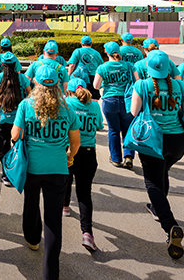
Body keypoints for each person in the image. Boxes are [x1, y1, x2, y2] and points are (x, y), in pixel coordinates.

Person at [11, 66, 80, 280]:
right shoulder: (67, 108)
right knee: (53, 221)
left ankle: (32, 239)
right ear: (57, 85)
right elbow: (76, 141)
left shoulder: (26, 105)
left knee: (31, 203)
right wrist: (69, 155)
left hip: (32, 167)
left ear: (36, 84)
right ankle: (51, 272)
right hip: (58, 168)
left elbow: (15, 135)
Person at [130, 50, 184, 260]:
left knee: (152, 183)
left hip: (153, 140)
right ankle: (157, 208)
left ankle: (169, 225)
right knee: (163, 173)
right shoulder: (180, 85)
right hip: (177, 141)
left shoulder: (142, 85)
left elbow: (134, 111)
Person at [63, 78, 103, 252]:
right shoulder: (94, 105)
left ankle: (65, 206)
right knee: (84, 193)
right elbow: (100, 126)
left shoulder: (66, 103)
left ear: (69, 91)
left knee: (66, 179)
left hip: (69, 149)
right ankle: (87, 233)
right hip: (88, 152)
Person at [0, 52, 30, 186]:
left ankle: (6, 174)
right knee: (20, 147)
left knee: (4, 148)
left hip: (3, 120)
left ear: (2, 64)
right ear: (15, 64)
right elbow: (30, 96)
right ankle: (19, 172)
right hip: (19, 121)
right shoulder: (22, 78)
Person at [94, 42, 137, 168]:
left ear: (106, 52)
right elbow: (138, 82)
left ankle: (116, 158)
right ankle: (128, 156)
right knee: (127, 129)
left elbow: (96, 85)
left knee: (113, 130)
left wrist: (106, 84)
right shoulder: (129, 66)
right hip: (127, 101)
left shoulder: (103, 67)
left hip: (109, 101)